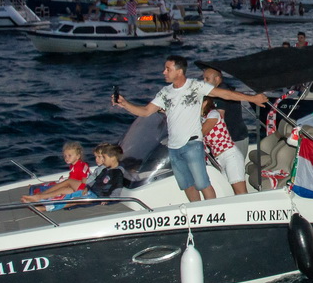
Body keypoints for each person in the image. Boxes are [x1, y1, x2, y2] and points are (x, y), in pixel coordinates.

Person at [114, 56, 268, 202]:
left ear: (179, 71)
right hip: (174, 148)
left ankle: (211, 212)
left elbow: (225, 94)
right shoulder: (165, 93)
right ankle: (196, 211)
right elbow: (146, 111)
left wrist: (252, 98)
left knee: (202, 183)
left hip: (192, 145)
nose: (164, 72)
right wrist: (125, 104)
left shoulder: (196, 87)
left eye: (168, 69)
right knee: (187, 185)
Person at [198, 63, 251, 159]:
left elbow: (217, 118)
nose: (204, 81)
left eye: (207, 79)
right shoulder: (226, 89)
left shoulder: (220, 94)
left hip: (233, 139)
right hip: (237, 136)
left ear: (217, 79)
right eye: (203, 79)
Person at [201, 96, 249, 196]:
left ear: (205, 102)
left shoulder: (213, 114)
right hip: (218, 160)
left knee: (240, 192)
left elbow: (201, 132)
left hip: (230, 156)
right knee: (227, 193)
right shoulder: (202, 119)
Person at [20, 141, 90, 206]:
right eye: (65, 156)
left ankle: (40, 195)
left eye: (69, 155)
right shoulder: (73, 165)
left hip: (82, 188)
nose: (66, 158)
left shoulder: (82, 165)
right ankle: (38, 198)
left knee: (66, 182)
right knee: (60, 190)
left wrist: (85, 189)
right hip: (75, 187)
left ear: (77, 156)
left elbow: (85, 178)